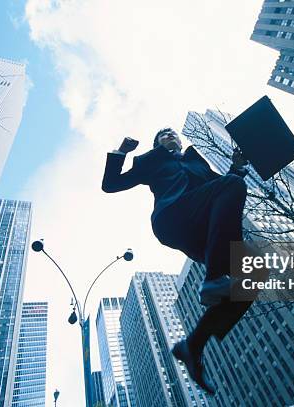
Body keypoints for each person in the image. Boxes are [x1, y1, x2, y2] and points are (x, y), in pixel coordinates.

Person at [102, 128, 262, 394]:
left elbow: (222, 188)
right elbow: (110, 185)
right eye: (164, 134)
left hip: (204, 229)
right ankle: (214, 279)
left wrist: (236, 167)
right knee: (232, 186)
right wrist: (122, 152)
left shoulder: (194, 160)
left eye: (172, 132)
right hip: (173, 218)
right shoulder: (151, 160)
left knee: (255, 266)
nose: (170, 134)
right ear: (157, 143)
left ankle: (193, 345)